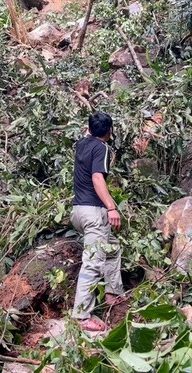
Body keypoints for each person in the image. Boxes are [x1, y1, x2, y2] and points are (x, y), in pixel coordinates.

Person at [70, 111, 124, 332]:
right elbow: (97, 177)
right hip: (93, 213)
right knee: (93, 262)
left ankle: (113, 293)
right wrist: (112, 207)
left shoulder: (81, 144)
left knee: (112, 249)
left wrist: (90, 130)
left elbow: (86, 134)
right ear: (110, 132)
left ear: (88, 129)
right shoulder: (101, 148)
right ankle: (82, 316)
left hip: (77, 212)